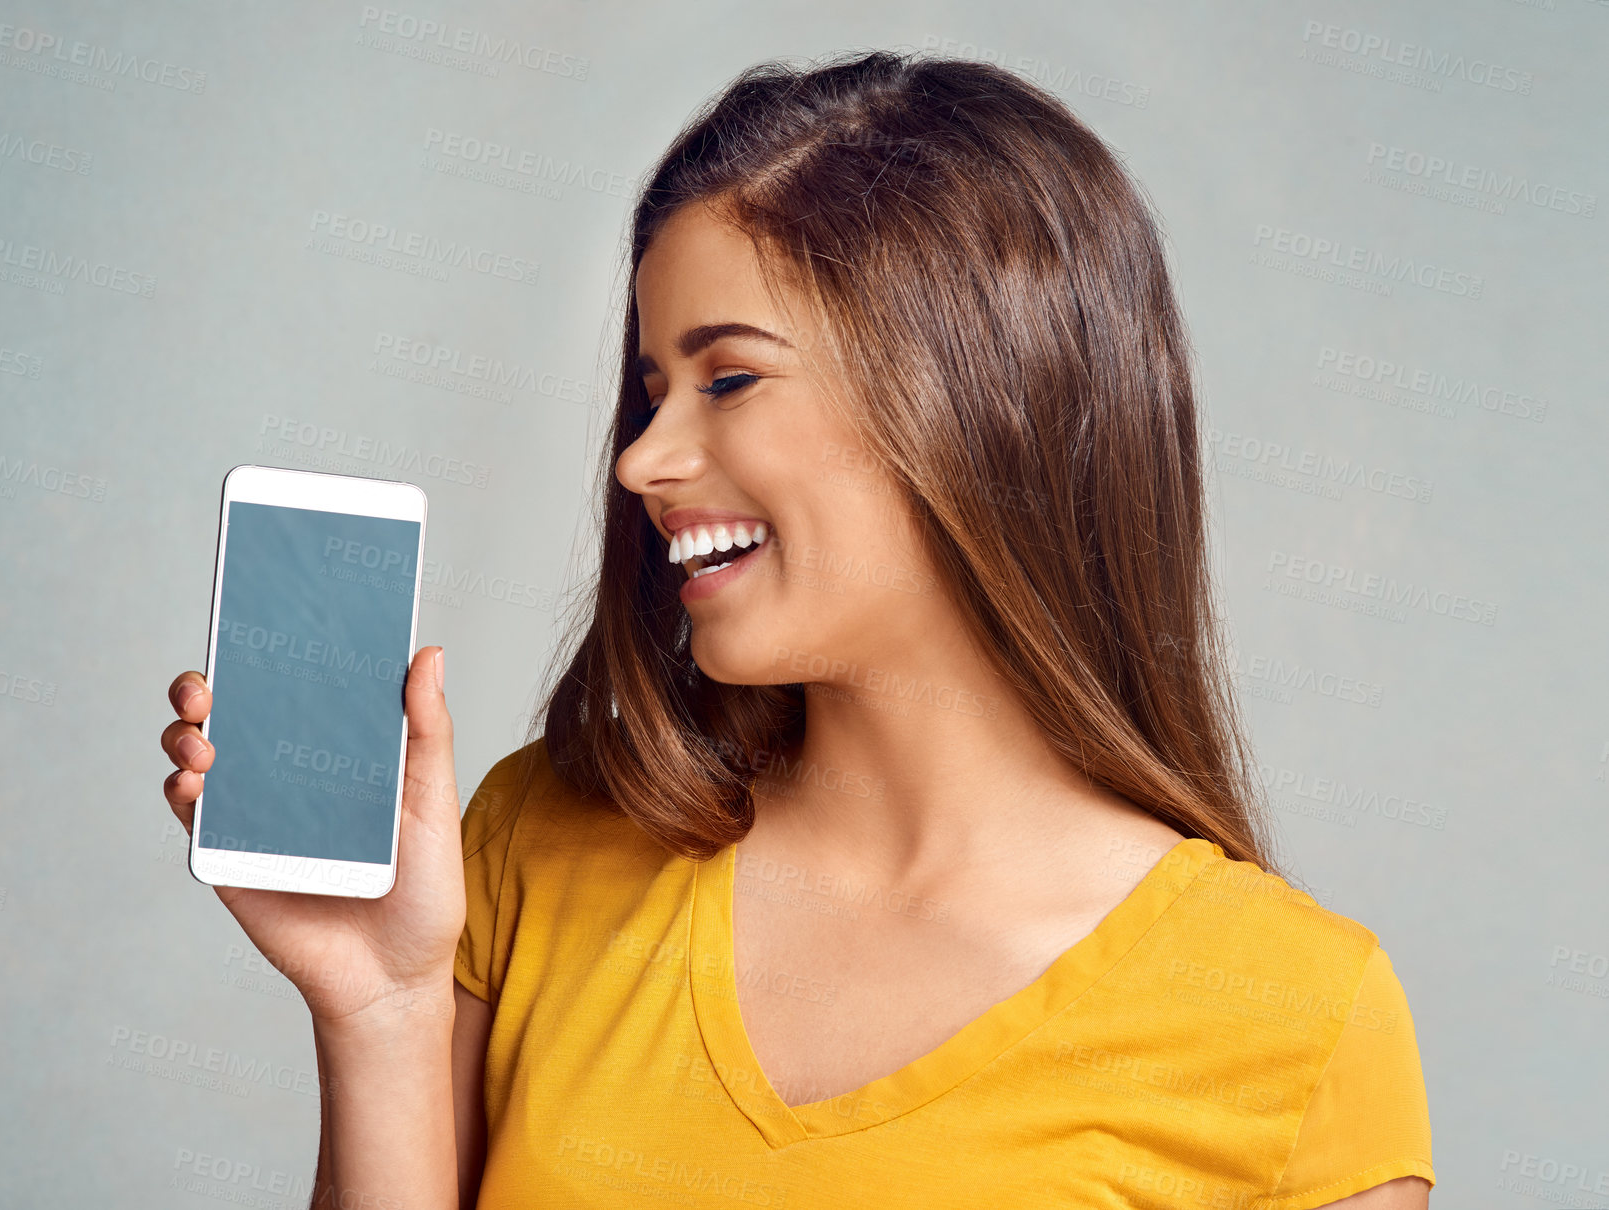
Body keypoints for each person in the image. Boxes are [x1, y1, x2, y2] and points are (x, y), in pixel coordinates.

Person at [160, 48, 1434, 1210]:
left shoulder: (1296, 1023)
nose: (644, 459)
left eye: (729, 379)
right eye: (652, 390)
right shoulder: (538, 845)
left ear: (981, 398)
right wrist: (380, 1011)